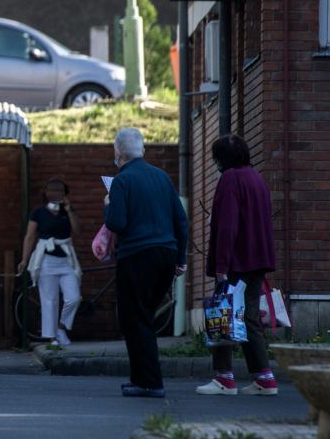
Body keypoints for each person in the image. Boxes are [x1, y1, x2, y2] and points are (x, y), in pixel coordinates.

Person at [103, 128, 189, 398]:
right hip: (166, 255)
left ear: (117, 152)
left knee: (134, 319)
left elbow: (117, 223)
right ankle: (144, 379)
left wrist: (108, 204)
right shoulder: (163, 178)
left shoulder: (121, 181)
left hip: (136, 256)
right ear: (143, 150)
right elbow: (181, 221)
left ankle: (149, 382)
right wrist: (181, 258)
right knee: (144, 318)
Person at [196, 134, 279, 397]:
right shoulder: (257, 179)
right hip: (257, 260)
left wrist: (222, 265)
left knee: (224, 316)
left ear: (222, 158)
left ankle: (224, 378)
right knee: (250, 318)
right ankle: (264, 377)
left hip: (236, 261)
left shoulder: (230, 180)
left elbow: (227, 225)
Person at [17, 178, 83, 347]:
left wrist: (69, 211)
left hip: (66, 260)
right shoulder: (38, 212)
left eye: (59, 191)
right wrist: (25, 259)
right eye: (52, 190)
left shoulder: (67, 211)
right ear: (46, 193)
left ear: (64, 194)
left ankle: (61, 327)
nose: (55, 194)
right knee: (49, 300)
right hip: (46, 260)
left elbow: (77, 230)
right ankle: (51, 337)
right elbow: (30, 236)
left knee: (73, 298)